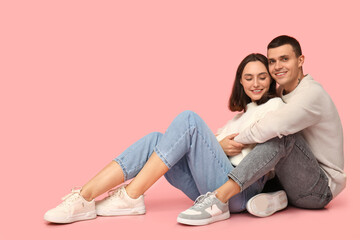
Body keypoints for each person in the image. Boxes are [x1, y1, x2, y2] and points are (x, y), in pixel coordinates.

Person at [44, 53, 282, 224]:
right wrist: (218, 145)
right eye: (248, 77)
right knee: (155, 139)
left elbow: (259, 146)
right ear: (240, 81)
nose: (256, 83)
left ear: (271, 79)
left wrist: (217, 146)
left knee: (189, 119)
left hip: (237, 192)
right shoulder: (237, 118)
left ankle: (131, 196)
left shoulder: (276, 106)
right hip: (207, 190)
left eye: (262, 77)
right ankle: (84, 197)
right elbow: (214, 149)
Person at [177, 35, 346, 224]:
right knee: (264, 163)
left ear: (300, 60)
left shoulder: (312, 94)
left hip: (318, 188)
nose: (277, 66)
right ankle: (275, 198)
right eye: (272, 61)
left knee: (282, 137)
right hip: (287, 179)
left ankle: (218, 200)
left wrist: (235, 140)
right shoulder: (282, 93)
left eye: (285, 59)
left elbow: (272, 127)